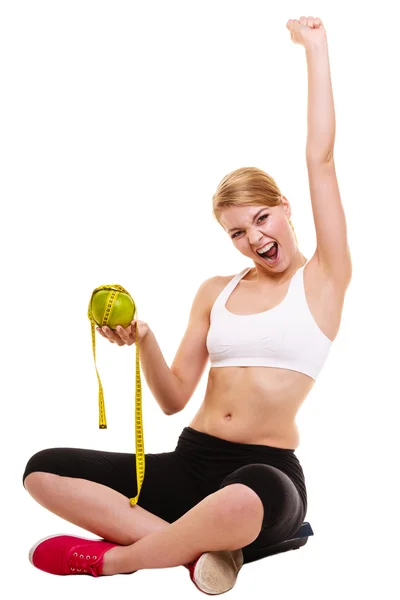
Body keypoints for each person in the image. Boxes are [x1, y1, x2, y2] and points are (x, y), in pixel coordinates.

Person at [22, 16, 352, 596]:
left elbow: (320, 158)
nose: (254, 239)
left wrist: (316, 49)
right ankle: (201, 554)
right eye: (237, 233)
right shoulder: (215, 291)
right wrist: (144, 336)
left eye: (260, 219)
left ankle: (119, 560)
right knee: (42, 469)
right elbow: (174, 399)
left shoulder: (325, 278)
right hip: (189, 459)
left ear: (283, 207)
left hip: (264, 473)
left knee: (242, 500)